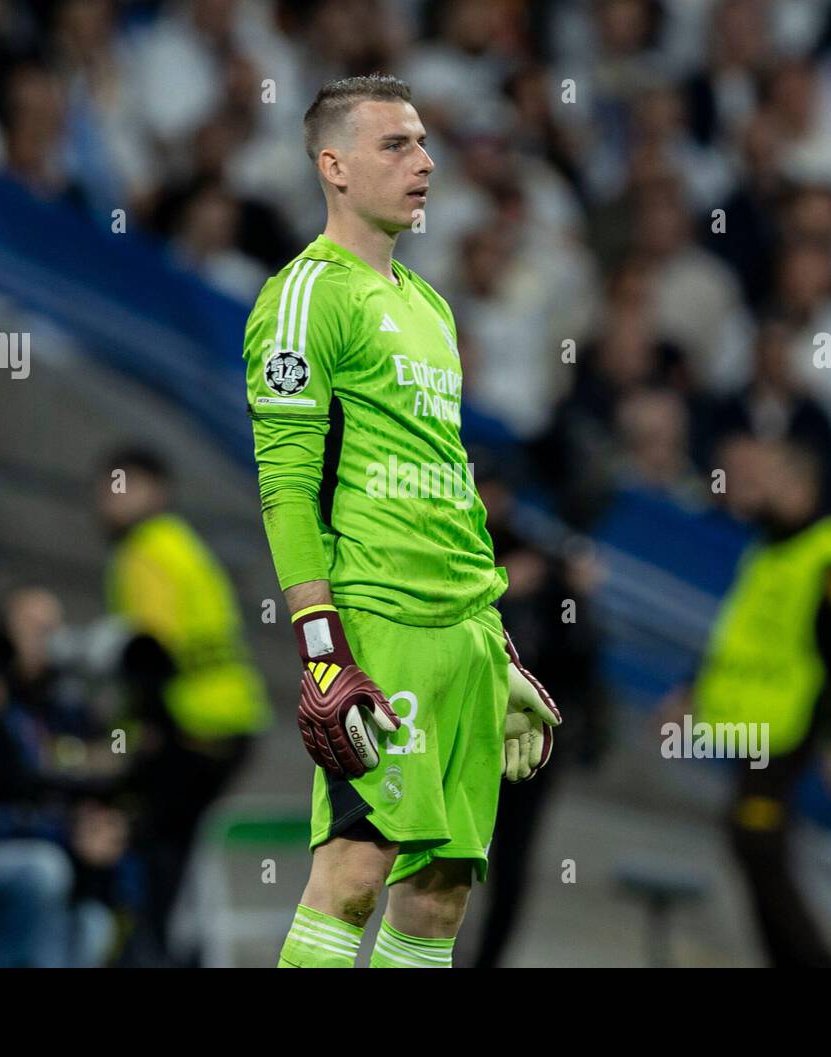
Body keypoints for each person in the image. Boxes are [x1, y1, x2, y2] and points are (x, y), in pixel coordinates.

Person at [242, 73, 562, 970]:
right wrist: (320, 644)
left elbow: (450, 488)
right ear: (333, 166)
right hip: (377, 623)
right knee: (354, 868)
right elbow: (285, 485)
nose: (425, 162)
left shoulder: (430, 307)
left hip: (461, 630)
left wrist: (492, 645)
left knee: (440, 892)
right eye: (397, 145)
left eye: (424, 144)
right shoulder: (308, 296)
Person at [690, 440, 831, 967]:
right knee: (754, 848)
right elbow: (737, 633)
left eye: (771, 479)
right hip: (752, 723)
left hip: (789, 726)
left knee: (757, 841)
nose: (758, 489)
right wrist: (690, 692)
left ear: (801, 487)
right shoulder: (770, 547)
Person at [97, 447, 269, 965]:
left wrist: (137, 728)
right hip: (235, 719)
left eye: (125, 486)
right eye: (107, 486)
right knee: (170, 848)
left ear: (157, 492)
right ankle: (165, 950)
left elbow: (152, 652)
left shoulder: (144, 551)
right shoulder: (182, 543)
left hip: (193, 723)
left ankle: (144, 955)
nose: (111, 499)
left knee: (150, 850)